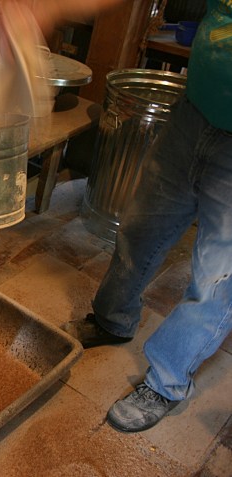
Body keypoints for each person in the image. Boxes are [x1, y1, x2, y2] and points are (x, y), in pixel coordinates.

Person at [60, 0, 232, 432]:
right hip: (193, 116)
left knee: (217, 278)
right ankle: (112, 320)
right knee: (141, 228)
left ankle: (168, 381)